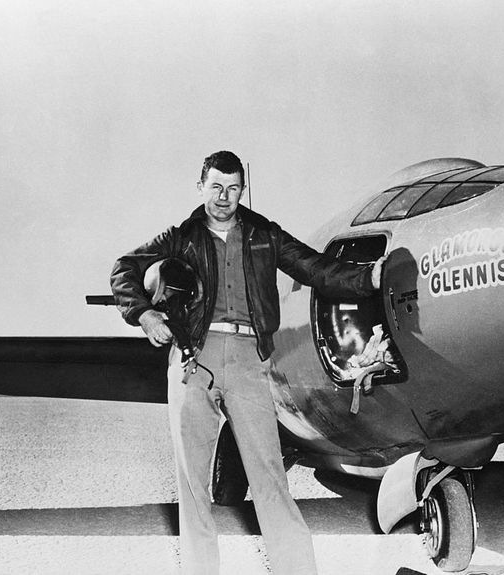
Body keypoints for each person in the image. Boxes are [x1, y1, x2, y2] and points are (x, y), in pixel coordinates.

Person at [110, 150, 385, 575]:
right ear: (200, 187)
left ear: (243, 189)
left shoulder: (264, 234)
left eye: (233, 188)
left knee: (270, 479)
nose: (224, 197)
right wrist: (143, 314)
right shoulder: (180, 236)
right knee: (192, 486)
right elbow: (124, 269)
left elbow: (317, 269)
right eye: (216, 187)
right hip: (192, 360)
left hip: (247, 361)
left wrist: (368, 279)